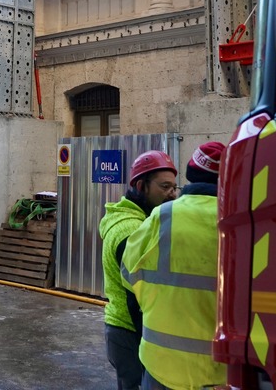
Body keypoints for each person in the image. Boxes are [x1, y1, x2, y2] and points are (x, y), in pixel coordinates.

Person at [122, 141, 226, 390]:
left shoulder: (163, 216)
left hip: (161, 367)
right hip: (219, 373)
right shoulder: (241, 220)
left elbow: (127, 274)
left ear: (190, 176)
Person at [100, 150, 180, 390]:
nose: (172, 194)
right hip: (130, 332)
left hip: (126, 330)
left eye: (175, 188)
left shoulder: (143, 221)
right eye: (165, 187)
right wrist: (152, 340)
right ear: (141, 185)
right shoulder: (131, 231)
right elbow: (137, 295)